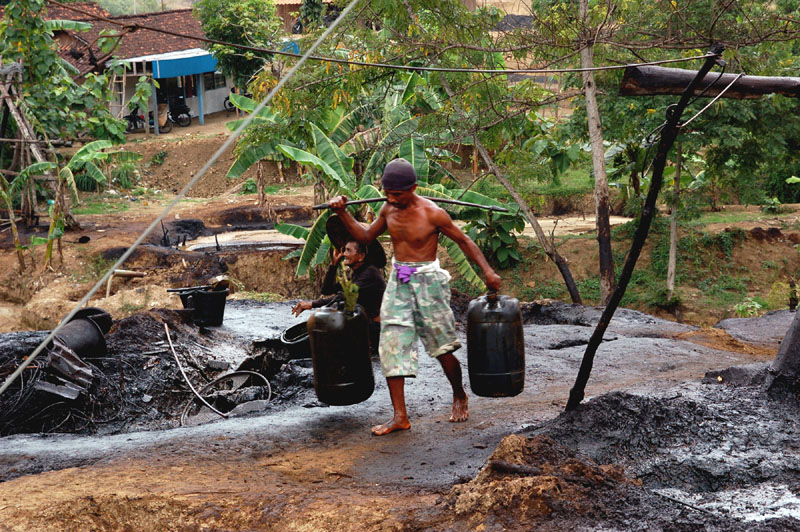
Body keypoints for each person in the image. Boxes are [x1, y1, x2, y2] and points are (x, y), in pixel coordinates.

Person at [329, 158, 502, 436]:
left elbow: (464, 242)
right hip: (399, 280)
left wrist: (488, 272)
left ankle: (459, 394)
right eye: (387, 193)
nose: (392, 199)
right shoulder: (388, 209)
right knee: (392, 343)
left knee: (441, 345)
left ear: (414, 188)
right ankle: (400, 416)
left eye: (398, 194)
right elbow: (365, 236)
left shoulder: (433, 214)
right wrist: (343, 213)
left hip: (429, 281)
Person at [291, 239, 386, 355]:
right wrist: (333, 264)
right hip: (365, 325)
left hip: (376, 330)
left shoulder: (370, 274)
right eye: (344, 250)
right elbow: (327, 290)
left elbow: (344, 296)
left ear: (361, 256)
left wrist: (311, 304)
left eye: (348, 250)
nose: (344, 254)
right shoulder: (358, 272)